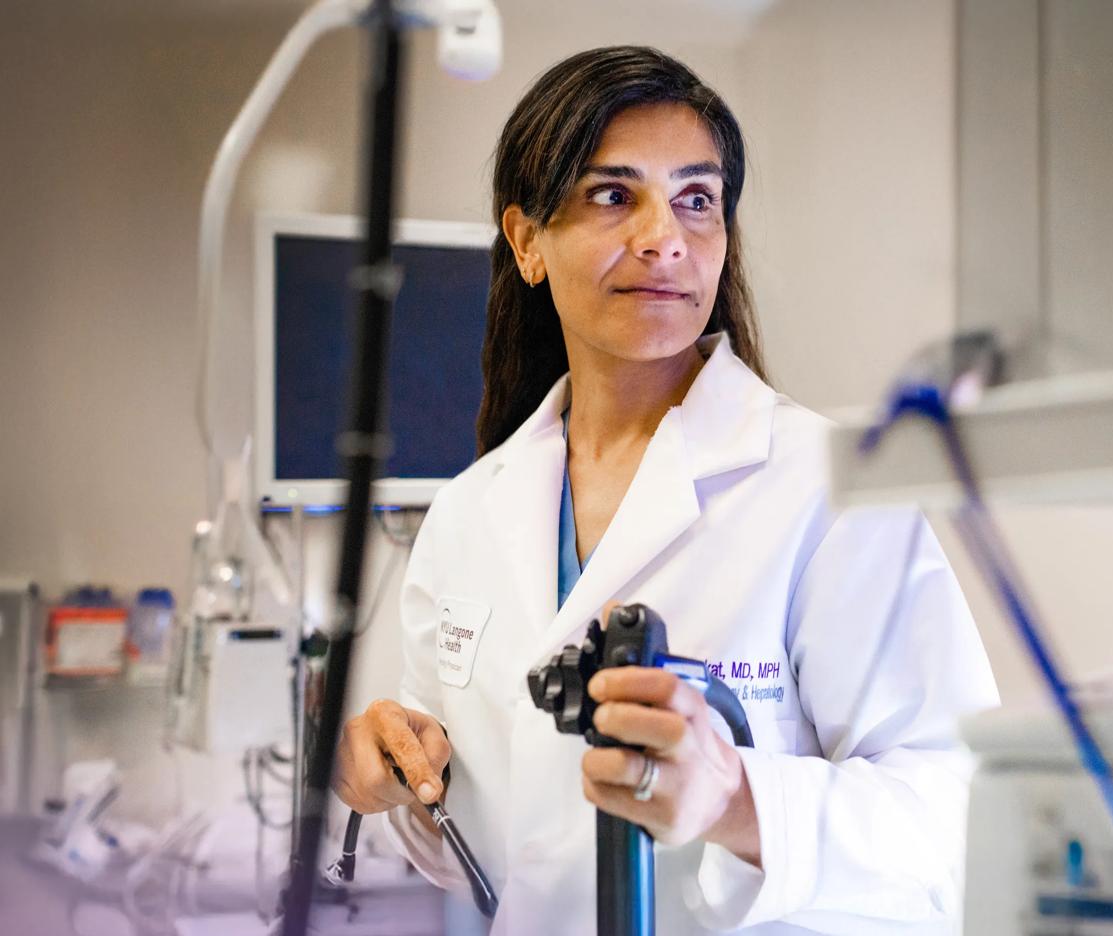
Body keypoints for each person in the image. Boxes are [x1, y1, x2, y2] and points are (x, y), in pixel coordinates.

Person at [334, 45, 998, 935]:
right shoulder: (467, 512)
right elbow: (482, 846)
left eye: (696, 199)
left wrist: (733, 800)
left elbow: (957, 811)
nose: (665, 236)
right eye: (613, 196)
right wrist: (394, 779)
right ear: (527, 240)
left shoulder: (832, 486)